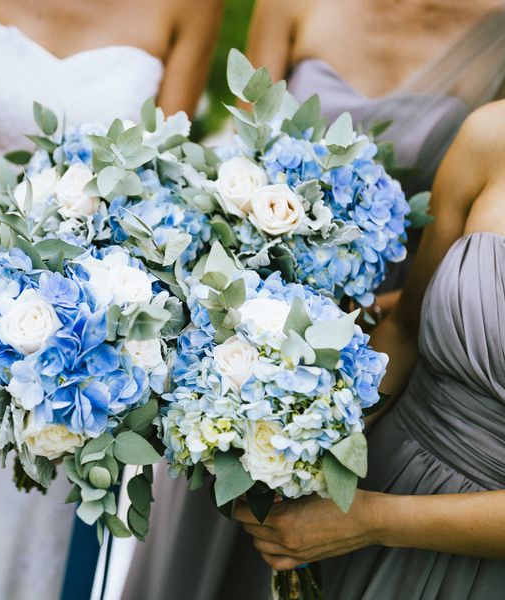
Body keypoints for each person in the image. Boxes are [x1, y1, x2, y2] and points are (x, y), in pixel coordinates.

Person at [0, 2, 223, 599]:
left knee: (48, 535)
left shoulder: (192, 8)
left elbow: (164, 175)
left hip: (96, 312)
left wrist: (85, 316)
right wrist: (20, 296)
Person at [236, 99, 505, 598]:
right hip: (369, 484)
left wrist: (375, 519)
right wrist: (289, 435)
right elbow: (405, 330)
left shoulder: (370, 519)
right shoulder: (491, 136)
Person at [246, 0, 505, 312]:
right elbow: (246, 148)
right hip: (263, 280)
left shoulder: (497, 30)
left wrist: (347, 319)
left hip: (412, 304)